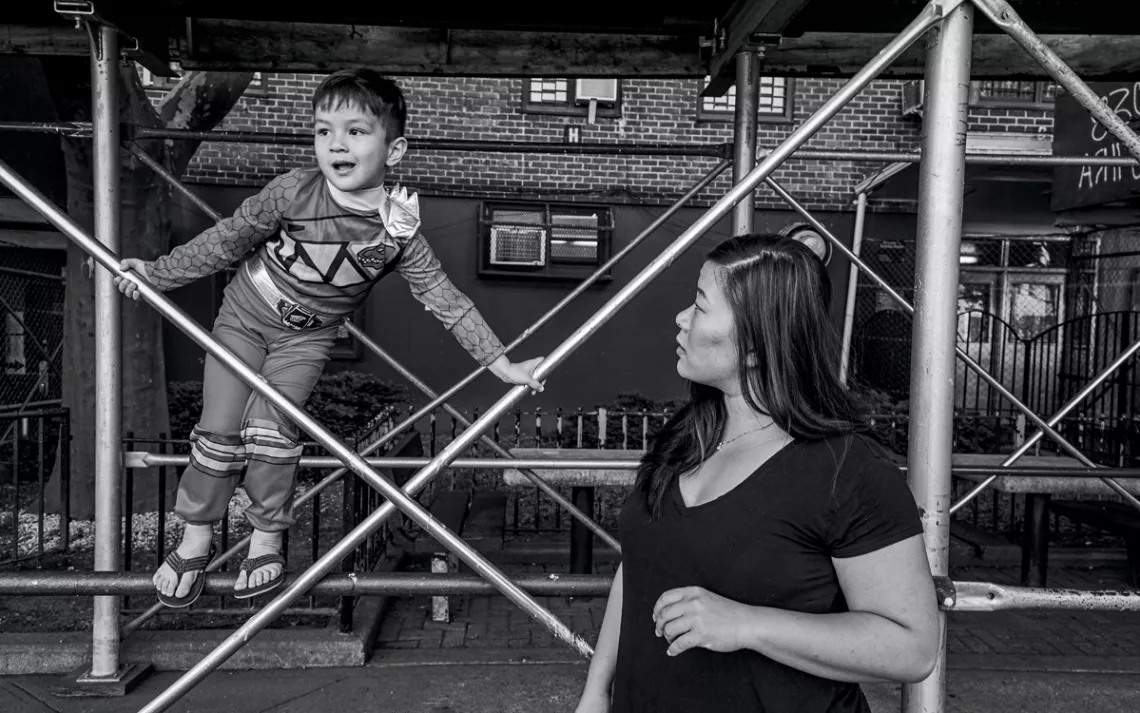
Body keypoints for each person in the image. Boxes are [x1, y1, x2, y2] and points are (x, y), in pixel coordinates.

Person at [114, 69, 545, 607]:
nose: (336, 143)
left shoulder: (398, 233)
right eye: (323, 130)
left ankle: (266, 535)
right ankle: (197, 535)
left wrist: (501, 364)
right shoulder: (293, 190)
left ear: (394, 150)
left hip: (307, 338)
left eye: (356, 131)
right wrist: (155, 274)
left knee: (272, 431)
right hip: (244, 316)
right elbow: (228, 241)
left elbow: (445, 300)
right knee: (219, 429)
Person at [575, 234, 939, 712]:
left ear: (755, 345)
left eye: (701, 307)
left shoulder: (849, 471)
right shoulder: (688, 436)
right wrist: (596, 693)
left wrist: (746, 624)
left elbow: (911, 648)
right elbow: (640, 567)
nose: (682, 319)